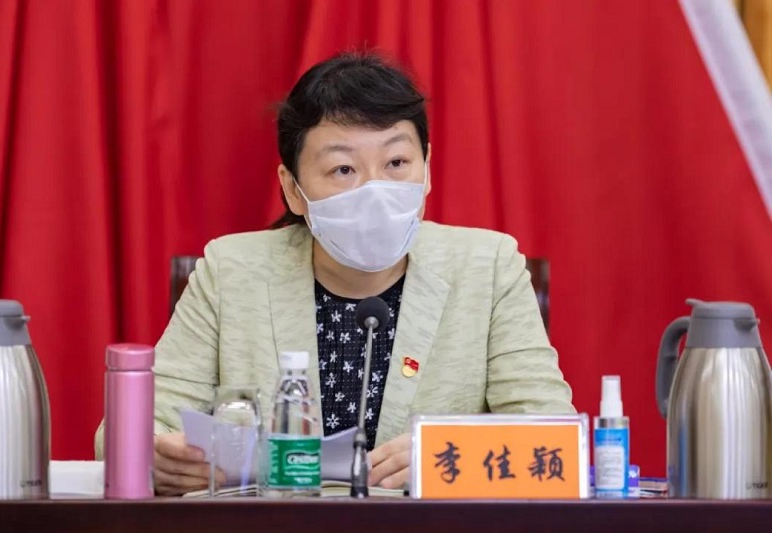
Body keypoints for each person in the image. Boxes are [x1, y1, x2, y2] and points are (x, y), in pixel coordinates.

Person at [94, 51, 575, 496]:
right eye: (343, 169)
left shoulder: (488, 267)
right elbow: (125, 435)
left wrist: (448, 455)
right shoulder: (231, 271)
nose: (375, 190)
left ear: (427, 168)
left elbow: (555, 442)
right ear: (293, 189)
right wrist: (156, 457)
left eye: (397, 162)